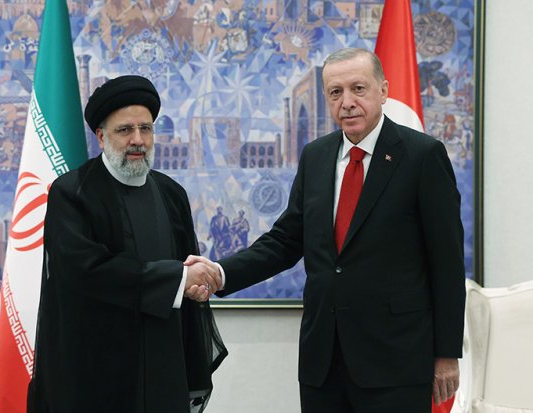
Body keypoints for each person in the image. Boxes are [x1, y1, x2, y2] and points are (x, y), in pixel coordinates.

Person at [186, 48, 465, 412]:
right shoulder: (315, 156)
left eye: (358, 89)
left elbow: (447, 261)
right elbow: (285, 241)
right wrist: (220, 273)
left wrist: (446, 354)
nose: (347, 102)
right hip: (324, 361)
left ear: (383, 90)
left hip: (396, 360)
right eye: (335, 92)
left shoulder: (422, 156)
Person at [27, 75, 227, 413]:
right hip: (95, 370)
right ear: (101, 136)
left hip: (163, 364)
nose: (138, 140)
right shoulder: (72, 193)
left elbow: (186, 271)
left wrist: (193, 287)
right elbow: (85, 272)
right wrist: (178, 279)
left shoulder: (171, 194)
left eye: (145, 129)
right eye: (125, 130)